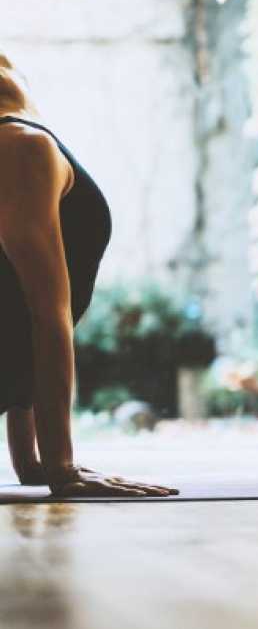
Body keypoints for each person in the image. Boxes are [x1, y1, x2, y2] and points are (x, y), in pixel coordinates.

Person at [0, 54, 178, 498]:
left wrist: (31, 461)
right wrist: (62, 468)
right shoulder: (21, 149)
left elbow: (13, 312)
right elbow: (45, 315)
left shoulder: (20, 137)